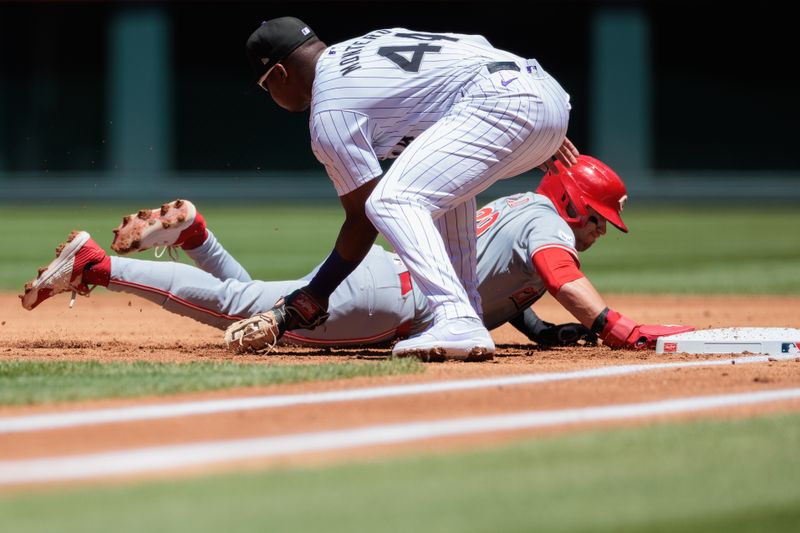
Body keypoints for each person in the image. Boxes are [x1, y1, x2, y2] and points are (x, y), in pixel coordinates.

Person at [19, 156, 694, 359]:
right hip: (389, 301)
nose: (600, 232)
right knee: (242, 308)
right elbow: (558, 275)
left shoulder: (523, 208)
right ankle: (97, 265)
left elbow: (502, 289)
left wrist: (545, 332)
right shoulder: (547, 225)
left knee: (259, 297)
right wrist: (612, 325)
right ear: (574, 203)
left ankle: (198, 239)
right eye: (599, 220)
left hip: (388, 276)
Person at [240, 17, 579, 360]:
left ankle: (456, 318)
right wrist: (533, 116)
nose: (271, 95)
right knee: (437, 197)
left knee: (390, 201)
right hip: (537, 89)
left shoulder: (329, 111)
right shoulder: (373, 40)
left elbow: (362, 218)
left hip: (501, 103)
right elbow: (475, 42)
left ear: (280, 74)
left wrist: (316, 291)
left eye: (266, 86)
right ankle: (466, 313)